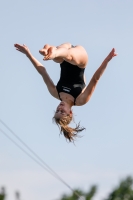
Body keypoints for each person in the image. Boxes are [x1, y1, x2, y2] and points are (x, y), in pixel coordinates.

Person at [14, 43, 117, 142]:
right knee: (68, 57)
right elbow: (95, 79)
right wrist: (107, 60)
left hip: (64, 52)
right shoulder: (81, 100)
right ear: (70, 113)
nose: (59, 108)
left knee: (58, 58)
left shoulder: (55, 93)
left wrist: (28, 54)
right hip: (80, 59)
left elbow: (42, 72)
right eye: (62, 112)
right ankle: (51, 53)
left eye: (57, 111)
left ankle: (49, 51)